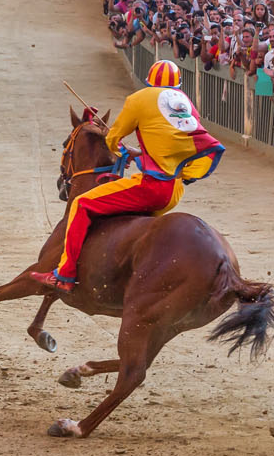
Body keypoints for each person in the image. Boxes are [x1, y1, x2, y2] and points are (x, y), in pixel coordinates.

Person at [30, 60, 224, 291]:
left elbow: (112, 139)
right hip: (175, 190)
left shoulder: (138, 99)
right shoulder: (187, 105)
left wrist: (123, 150)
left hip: (152, 188)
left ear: (149, 81)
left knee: (82, 204)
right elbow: (171, 145)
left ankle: (65, 274)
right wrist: (142, 154)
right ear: (177, 85)